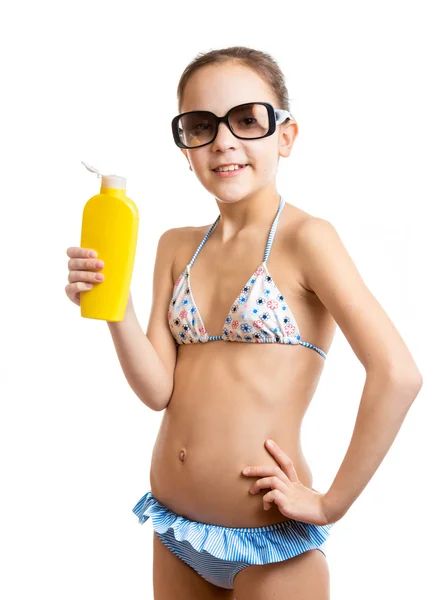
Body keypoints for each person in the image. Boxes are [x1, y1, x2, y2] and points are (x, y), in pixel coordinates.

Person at [66, 46, 423, 599]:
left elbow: (398, 374)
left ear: (286, 135)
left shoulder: (308, 240)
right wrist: (114, 303)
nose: (224, 141)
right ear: (185, 147)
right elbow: (158, 391)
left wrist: (331, 503)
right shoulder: (173, 245)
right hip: (173, 528)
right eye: (201, 126)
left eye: (247, 120)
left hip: (268, 542)